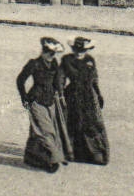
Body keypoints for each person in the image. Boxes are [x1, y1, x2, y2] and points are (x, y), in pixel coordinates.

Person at [16, 37, 71, 173]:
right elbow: (20, 80)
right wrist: (24, 97)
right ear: (43, 51)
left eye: (54, 53)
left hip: (51, 101)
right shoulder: (34, 63)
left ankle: (32, 157)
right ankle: (54, 158)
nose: (51, 56)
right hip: (36, 100)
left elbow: (58, 81)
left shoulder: (54, 64)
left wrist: (61, 95)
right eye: (48, 52)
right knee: (46, 131)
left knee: (42, 129)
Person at [61, 37, 109, 165]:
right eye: (77, 49)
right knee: (72, 122)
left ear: (87, 49)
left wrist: (99, 94)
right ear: (73, 49)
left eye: (82, 50)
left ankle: (95, 153)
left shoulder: (90, 60)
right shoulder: (67, 60)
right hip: (72, 94)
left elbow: (94, 79)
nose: (79, 52)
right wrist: (60, 96)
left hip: (88, 95)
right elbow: (61, 79)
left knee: (91, 123)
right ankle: (70, 152)